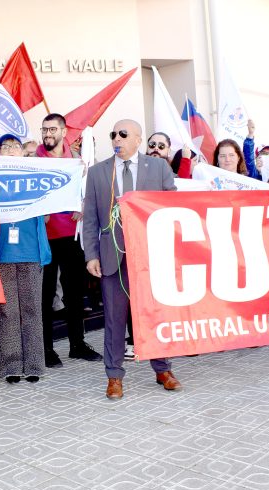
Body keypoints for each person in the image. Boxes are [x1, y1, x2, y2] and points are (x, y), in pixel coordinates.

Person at [82, 119, 181, 399]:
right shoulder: (99, 172)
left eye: (123, 135)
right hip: (113, 256)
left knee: (155, 313)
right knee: (114, 317)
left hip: (150, 256)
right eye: (113, 134)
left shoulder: (159, 168)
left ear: (138, 139)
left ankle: (163, 368)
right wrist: (91, 254)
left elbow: (171, 209)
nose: (117, 139)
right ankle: (114, 375)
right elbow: (90, 218)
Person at [36, 114, 102, 368]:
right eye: (44, 129)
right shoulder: (33, 161)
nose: (47, 134)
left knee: (75, 294)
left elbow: (88, 191)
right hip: (45, 237)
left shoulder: (77, 160)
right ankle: (46, 348)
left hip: (73, 235)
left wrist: (84, 204)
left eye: (52, 129)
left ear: (64, 132)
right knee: (45, 295)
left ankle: (77, 344)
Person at [0, 133, 50, 382]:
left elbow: (50, 211)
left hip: (31, 251)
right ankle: (10, 366)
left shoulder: (36, 177)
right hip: (1, 253)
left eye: (15, 146)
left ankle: (35, 365)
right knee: (6, 311)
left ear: (23, 151)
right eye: (5, 146)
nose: (11, 150)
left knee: (31, 309)